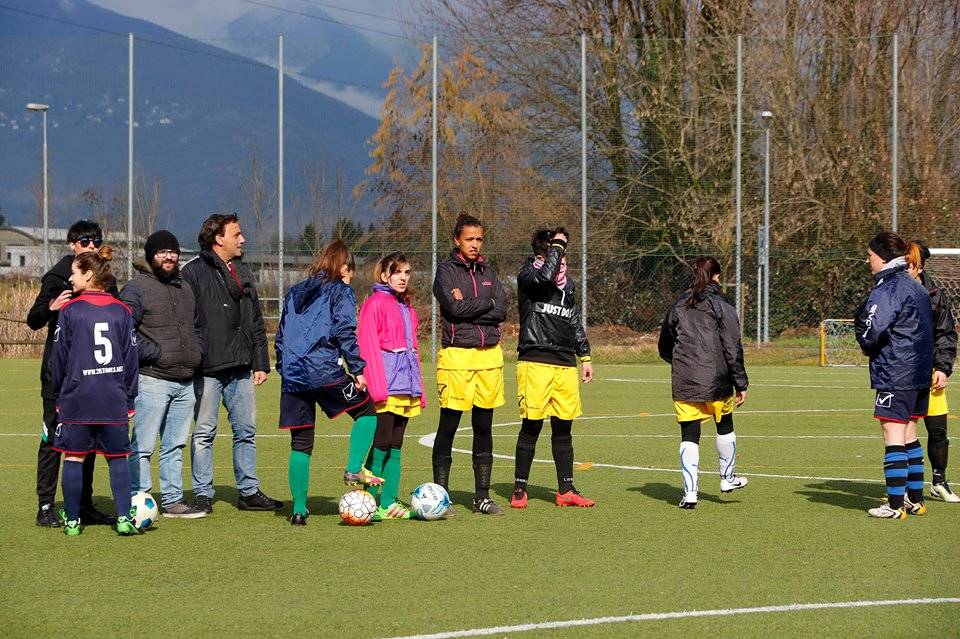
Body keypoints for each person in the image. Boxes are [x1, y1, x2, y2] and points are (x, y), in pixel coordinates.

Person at [181, 213, 282, 513]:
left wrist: (260, 361)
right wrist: (197, 357)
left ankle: (248, 491)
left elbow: (254, 318)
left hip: (240, 367)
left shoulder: (243, 270)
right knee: (203, 433)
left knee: (246, 431)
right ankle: (202, 493)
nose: (243, 239)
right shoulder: (193, 273)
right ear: (218, 239)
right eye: (236, 234)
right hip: (208, 369)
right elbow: (188, 323)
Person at [276, 240, 382, 526]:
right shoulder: (340, 290)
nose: (350, 277)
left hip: (293, 374)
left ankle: (298, 510)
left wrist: (282, 366)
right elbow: (345, 330)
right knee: (367, 412)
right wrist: (358, 369)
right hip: (323, 371)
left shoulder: (295, 290)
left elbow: (281, 334)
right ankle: (352, 470)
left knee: (300, 443)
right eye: (351, 271)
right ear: (344, 267)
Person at [26, 219, 117, 528]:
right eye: (85, 240)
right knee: (52, 438)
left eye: (96, 240)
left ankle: (84, 504)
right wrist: (50, 307)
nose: (91, 245)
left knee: (87, 440)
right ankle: (46, 506)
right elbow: (33, 320)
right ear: (72, 244)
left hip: (93, 375)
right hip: (59, 376)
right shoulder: (58, 275)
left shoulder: (106, 278)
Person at [50, 245, 140, 535]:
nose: (70, 279)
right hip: (113, 399)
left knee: (74, 457)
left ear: (88, 275)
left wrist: (58, 396)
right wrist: (129, 397)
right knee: (117, 458)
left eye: (73, 273)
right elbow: (131, 359)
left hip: (78, 398)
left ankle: (73, 520)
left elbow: (59, 358)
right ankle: (124, 518)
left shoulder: (70, 310)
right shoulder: (122, 311)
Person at [120, 230, 205, 518]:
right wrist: (156, 353)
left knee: (175, 445)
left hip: (185, 381)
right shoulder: (136, 288)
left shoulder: (185, 288)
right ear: (151, 255)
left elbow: (196, 328)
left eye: (173, 251)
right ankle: (139, 498)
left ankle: (172, 501)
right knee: (142, 446)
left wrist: (197, 352)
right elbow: (124, 329)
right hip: (152, 378)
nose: (168, 256)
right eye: (161, 252)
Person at [511, 228, 595, 508]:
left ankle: (566, 490)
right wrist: (556, 246)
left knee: (563, 429)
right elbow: (545, 277)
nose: (561, 259)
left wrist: (584, 355)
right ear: (543, 254)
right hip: (535, 361)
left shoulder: (567, 285)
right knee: (531, 426)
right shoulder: (528, 276)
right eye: (556, 251)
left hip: (563, 363)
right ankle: (520, 488)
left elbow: (572, 319)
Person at [432, 213, 508, 515]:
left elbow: (501, 308)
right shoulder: (446, 272)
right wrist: (485, 304)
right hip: (457, 356)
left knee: (483, 427)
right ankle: (442, 497)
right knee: (448, 426)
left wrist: (480, 307)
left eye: (479, 239)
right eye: (469, 239)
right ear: (456, 240)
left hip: (489, 355)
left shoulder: (489, 270)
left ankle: (481, 497)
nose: (475, 245)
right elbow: (454, 307)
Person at [658, 257, 749, 510]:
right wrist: (741, 382)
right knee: (725, 425)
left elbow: (664, 345)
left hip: (685, 380)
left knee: (689, 435)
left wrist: (682, 365)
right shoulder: (721, 304)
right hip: (717, 380)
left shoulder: (678, 305)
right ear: (717, 277)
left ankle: (690, 494)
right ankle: (727, 479)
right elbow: (732, 347)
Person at [855, 232, 934, 519]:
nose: (868, 261)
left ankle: (894, 504)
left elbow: (871, 330)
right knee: (910, 433)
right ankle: (915, 500)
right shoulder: (917, 287)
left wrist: (863, 338)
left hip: (895, 371)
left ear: (884, 258)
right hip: (918, 371)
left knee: (893, 433)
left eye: (871, 256)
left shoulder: (888, 289)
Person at [358, 252, 426, 521]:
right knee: (382, 442)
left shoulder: (407, 307)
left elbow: (414, 351)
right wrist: (376, 386)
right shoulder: (375, 304)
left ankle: (388, 502)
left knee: (396, 444)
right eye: (397, 272)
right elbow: (367, 347)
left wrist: (418, 389)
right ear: (384, 275)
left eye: (407, 273)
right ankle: (368, 501)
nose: (403, 277)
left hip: (406, 386)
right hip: (385, 385)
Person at [906, 243, 959, 502]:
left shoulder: (936, 293)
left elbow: (946, 334)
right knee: (905, 431)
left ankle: (939, 482)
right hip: (904, 374)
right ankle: (906, 485)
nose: (906, 269)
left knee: (938, 431)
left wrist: (942, 367)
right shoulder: (893, 290)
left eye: (911, 264)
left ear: (921, 266)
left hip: (931, 373)